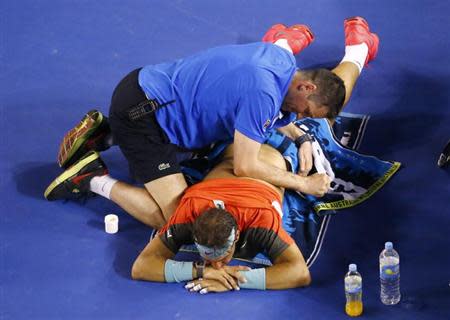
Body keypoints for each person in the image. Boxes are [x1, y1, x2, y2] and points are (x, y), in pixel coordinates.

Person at [44, 17, 379, 230]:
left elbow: (270, 114)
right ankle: (91, 178)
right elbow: (246, 166)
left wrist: (302, 136)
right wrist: (302, 185)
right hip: (144, 117)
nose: (302, 118)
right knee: (177, 219)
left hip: (149, 92)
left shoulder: (281, 61)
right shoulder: (262, 92)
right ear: (306, 87)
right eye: (306, 112)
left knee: (221, 142)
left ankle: (109, 133)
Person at [131, 143, 311, 292]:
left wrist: (235, 280)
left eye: (223, 258)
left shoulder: (260, 220)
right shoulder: (188, 213)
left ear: (237, 235)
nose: (217, 266)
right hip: (229, 149)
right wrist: (200, 270)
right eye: (208, 259)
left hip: (277, 154)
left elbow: (300, 273)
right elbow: (141, 267)